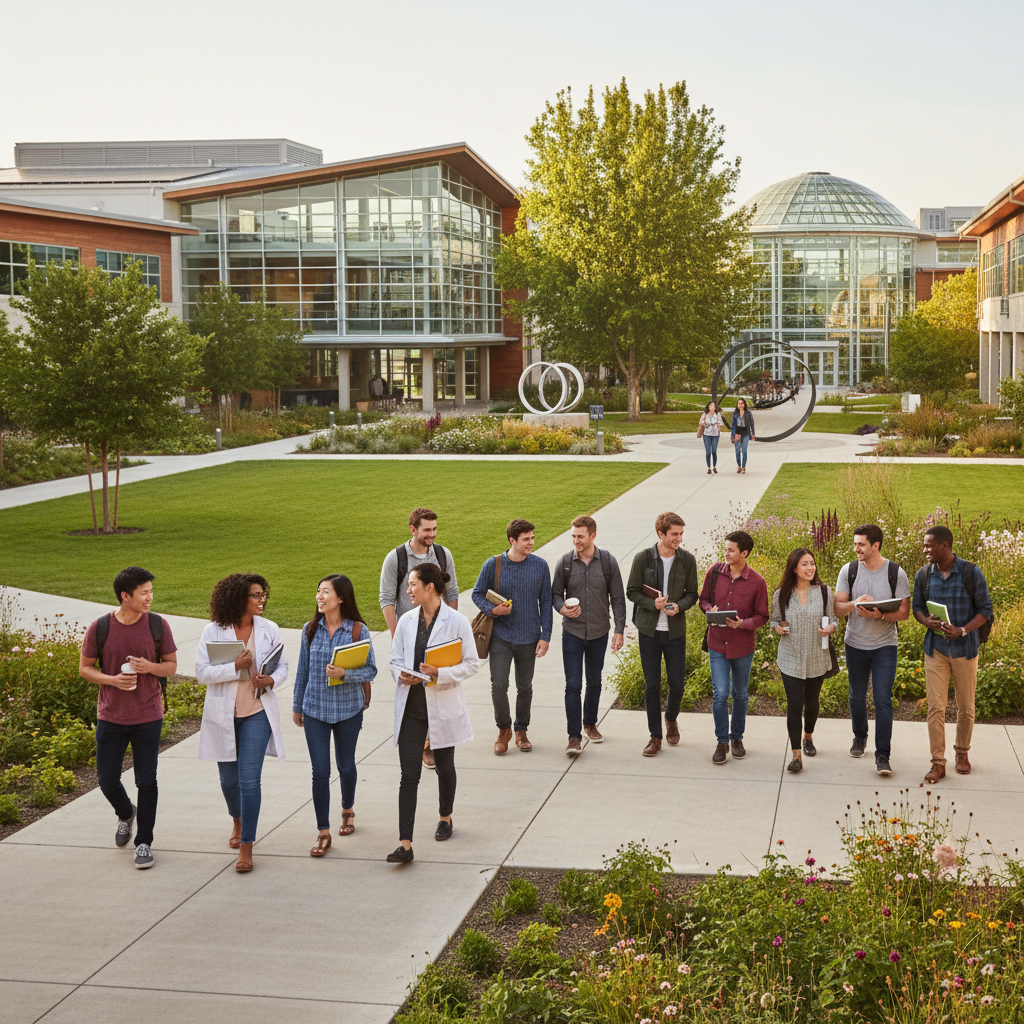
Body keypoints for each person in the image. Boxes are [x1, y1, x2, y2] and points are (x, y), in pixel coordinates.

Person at [78, 567, 178, 870]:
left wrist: (150, 666)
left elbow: (171, 666)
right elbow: (85, 668)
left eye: (150, 591)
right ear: (126, 596)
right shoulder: (100, 628)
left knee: (147, 781)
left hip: (148, 714)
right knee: (107, 779)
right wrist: (110, 680)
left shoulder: (158, 625)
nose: (150, 597)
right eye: (144, 592)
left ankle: (144, 842)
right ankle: (125, 813)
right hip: (111, 716)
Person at [195, 573, 289, 873]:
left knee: (250, 781)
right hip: (223, 715)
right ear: (239, 599)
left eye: (264, 595)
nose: (262, 600)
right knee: (228, 781)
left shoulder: (269, 629)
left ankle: (247, 845)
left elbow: (283, 665)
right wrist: (235, 668)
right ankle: (237, 818)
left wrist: (272, 678)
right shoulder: (214, 630)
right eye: (256, 596)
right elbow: (202, 673)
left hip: (257, 712)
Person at [387, 562, 479, 863]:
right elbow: (395, 659)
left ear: (429, 587)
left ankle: (445, 816)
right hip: (412, 706)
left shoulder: (458, 621)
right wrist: (401, 674)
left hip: (442, 705)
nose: (408, 590)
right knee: (409, 774)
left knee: (444, 767)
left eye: (412, 584)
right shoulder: (406, 620)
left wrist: (439, 673)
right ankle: (405, 844)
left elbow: (471, 664)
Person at [293, 574, 378, 857]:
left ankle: (347, 808)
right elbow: (302, 671)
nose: (319, 596)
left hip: (347, 711)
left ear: (340, 598)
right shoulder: (309, 629)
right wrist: (297, 706)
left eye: (325, 592)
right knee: (320, 771)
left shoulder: (357, 630)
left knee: (345, 766)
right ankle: (323, 832)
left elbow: (371, 670)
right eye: (317, 591)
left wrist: (345, 673)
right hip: (314, 709)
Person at [379, 507, 460, 771]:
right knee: (414, 691)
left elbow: (453, 592)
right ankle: (423, 743)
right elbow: (387, 599)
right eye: (427, 530)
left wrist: (451, 629)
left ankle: (434, 743)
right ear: (413, 529)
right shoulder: (396, 558)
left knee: (437, 690)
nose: (432, 534)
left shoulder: (442, 554)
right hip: (409, 637)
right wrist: (396, 634)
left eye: (435, 529)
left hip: (439, 636)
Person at [912, 525, 993, 784]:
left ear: (945, 546)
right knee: (936, 707)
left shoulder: (970, 572)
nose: (925, 550)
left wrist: (962, 630)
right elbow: (916, 608)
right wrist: (928, 621)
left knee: (966, 707)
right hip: (935, 651)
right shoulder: (924, 575)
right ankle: (938, 762)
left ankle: (962, 753)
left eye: (929, 546)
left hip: (964, 650)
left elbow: (985, 611)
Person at [834, 524, 911, 777]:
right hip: (855, 643)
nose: (856, 548)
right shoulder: (849, 570)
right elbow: (837, 608)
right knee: (856, 696)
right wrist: (855, 603)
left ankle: (882, 755)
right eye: (855, 544)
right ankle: (859, 736)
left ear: (875, 545)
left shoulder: (895, 573)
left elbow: (904, 612)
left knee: (882, 700)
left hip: (884, 647)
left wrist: (881, 616)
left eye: (861, 544)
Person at [472, 519, 552, 754]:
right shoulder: (493, 564)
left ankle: (521, 730)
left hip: (529, 637)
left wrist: (545, 635)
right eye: (526, 539)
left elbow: (546, 603)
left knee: (525, 687)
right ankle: (504, 729)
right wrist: (492, 610)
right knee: (498, 686)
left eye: (532, 538)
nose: (531, 543)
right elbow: (477, 594)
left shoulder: (540, 566)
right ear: (512, 541)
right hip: (500, 637)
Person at [551, 515, 627, 756]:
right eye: (573, 536)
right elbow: (554, 595)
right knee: (573, 684)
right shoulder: (564, 563)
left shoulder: (607, 562)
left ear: (593, 535)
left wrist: (618, 629)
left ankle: (590, 723)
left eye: (580, 536)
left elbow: (617, 598)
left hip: (598, 632)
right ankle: (573, 737)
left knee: (594, 681)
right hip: (572, 633)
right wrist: (561, 608)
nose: (576, 541)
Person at [625, 512, 699, 757]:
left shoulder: (687, 560)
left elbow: (693, 593)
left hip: (675, 632)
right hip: (649, 630)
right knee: (652, 685)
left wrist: (680, 605)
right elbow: (632, 592)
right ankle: (655, 737)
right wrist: (651, 604)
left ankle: (671, 718)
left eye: (681, 534)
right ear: (661, 534)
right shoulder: (643, 558)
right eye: (674, 534)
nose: (679, 538)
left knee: (677, 684)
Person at [699, 530, 769, 764]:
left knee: (740, 694)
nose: (726, 553)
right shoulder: (715, 572)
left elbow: (762, 616)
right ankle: (722, 741)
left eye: (731, 550)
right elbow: (703, 600)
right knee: (720, 694)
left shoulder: (757, 582)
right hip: (717, 643)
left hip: (742, 647)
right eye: (725, 549)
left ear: (744, 553)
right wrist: (710, 609)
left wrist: (743, 624)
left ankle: (737, 737)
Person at [770, 548, 838, 773]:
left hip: (817, 656)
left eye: (812, 563)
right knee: (794, 704)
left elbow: (834, 620)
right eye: (804, 564)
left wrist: (830, 628)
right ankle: (796, 755)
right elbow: (774, 621)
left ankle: (808, 736)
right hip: (790, 657)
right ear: (794, 568)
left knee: (812, 703)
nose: (810, 568)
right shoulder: (780, 594)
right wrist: (777, 628)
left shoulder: (825, 592)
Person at [699, 401, 725, 475]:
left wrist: (719, 428)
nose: (712, 407)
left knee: (714, 451)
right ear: (708, 407)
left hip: (715, 434)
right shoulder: (705, 414)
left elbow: (720, 423)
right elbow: (700, 422)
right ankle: (709, 468)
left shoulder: (717, 414)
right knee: (708, 451)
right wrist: (703, 423)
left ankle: (714, 466)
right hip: (706, 434)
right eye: (711, 405)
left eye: (713, 406)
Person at [730, 397, 755, 474]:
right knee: (737, 451)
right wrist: (732, 435)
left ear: (744, 404)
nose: (740, 405)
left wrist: (753, 434)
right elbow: (733, 425)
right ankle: (739, 465)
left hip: (745, 433)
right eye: (739, 404)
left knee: (744, 450)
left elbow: (751, 423)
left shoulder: (748, 413)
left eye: (742, 403)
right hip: (737, 434)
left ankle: (743, 467)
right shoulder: (735, 413)